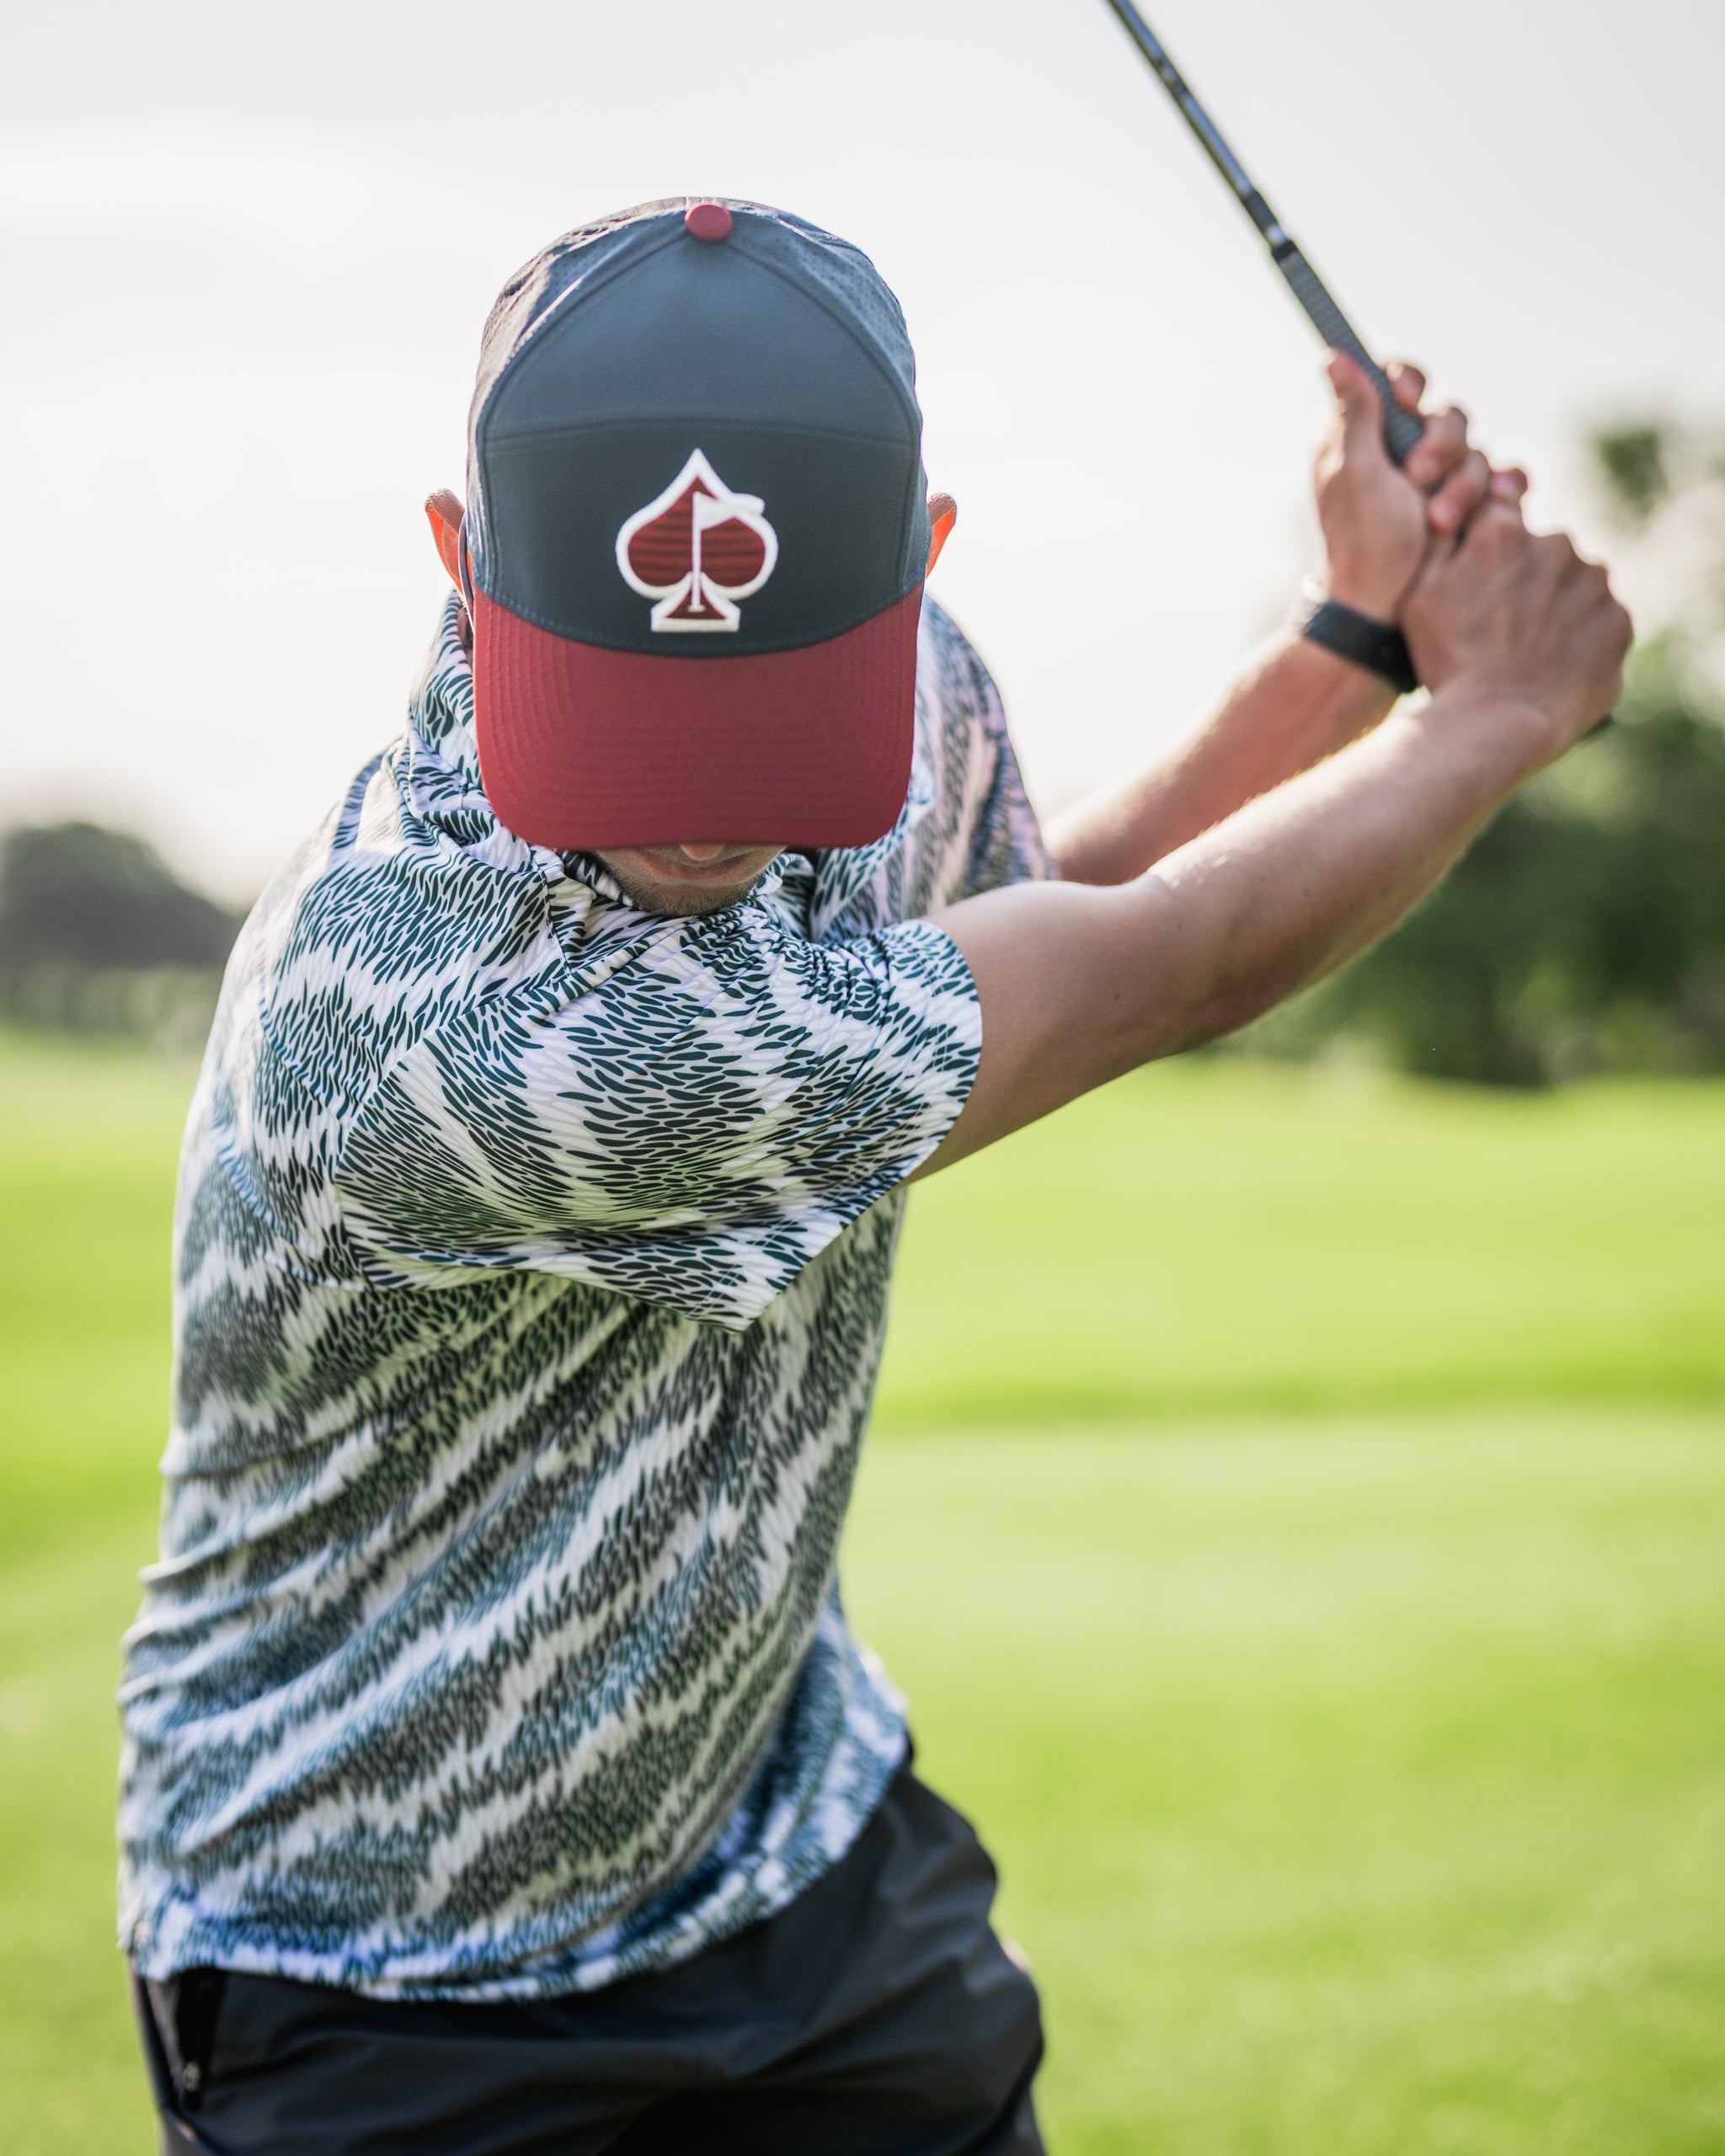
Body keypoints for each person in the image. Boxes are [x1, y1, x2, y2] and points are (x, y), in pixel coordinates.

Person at [122, 198, 1627, 2155]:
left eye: (768, 721)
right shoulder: (420, 1015)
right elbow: (1154, 969)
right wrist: (1495, 707)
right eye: (634, 715)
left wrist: (1354, 637)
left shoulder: (911, 697)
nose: (704, 810)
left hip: (801, 1855)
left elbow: (1028, 915)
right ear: (457, 561)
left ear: (914, 570)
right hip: (381, 1981)